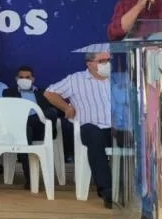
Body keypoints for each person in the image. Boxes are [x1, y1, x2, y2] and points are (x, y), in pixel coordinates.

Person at [44, 51, 113, 209]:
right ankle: (108, 191)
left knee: (136, 136)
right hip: (90, 126)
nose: (106, 64)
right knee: (94, 136)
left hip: (114, 127)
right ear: (89, 64)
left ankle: (135, 189)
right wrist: (66, 107)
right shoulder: (76, 79)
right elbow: (49, 93)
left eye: (108, 60)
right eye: (102, 61)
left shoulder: (115, 79)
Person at [2, 66, 59, 189]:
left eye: (27, 77)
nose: (24, 80)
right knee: (24, 129)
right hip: (21, 128)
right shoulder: (8, 93)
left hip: (41, 127)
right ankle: (30, 178)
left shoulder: (43, 92)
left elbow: (57, 112)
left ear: (33, 79)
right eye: (21, 77)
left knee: (52, 111)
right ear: (16, 79)